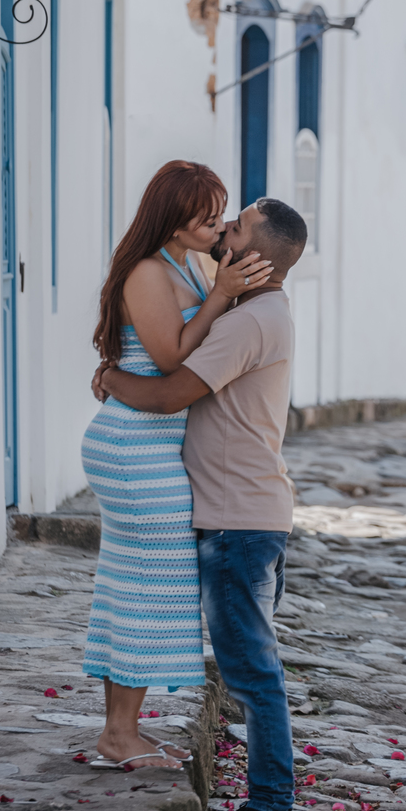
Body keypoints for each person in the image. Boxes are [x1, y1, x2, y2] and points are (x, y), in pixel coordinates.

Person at [93, 195, 307, 811]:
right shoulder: (255, 311)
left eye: (236, 227)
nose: (225, 230)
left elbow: (169, 391)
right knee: (252, 669)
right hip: (245, 515)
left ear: (255, 256)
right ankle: (267, 805)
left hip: (239, 522)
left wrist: (109, 377)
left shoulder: (251, 322)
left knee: (252, 674)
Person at [81, 160, 270, 770]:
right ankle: (120, 735)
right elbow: (167, 361)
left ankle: (118, 732)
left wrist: (218, 286)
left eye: (221, 215)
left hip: (153, 443)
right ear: (174, 221)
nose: (218, 227)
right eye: (207, 218)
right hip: (136, 443)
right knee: (146, 587)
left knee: (130, 583)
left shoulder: (184, 264)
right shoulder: (147, 273)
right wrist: (220, 296)